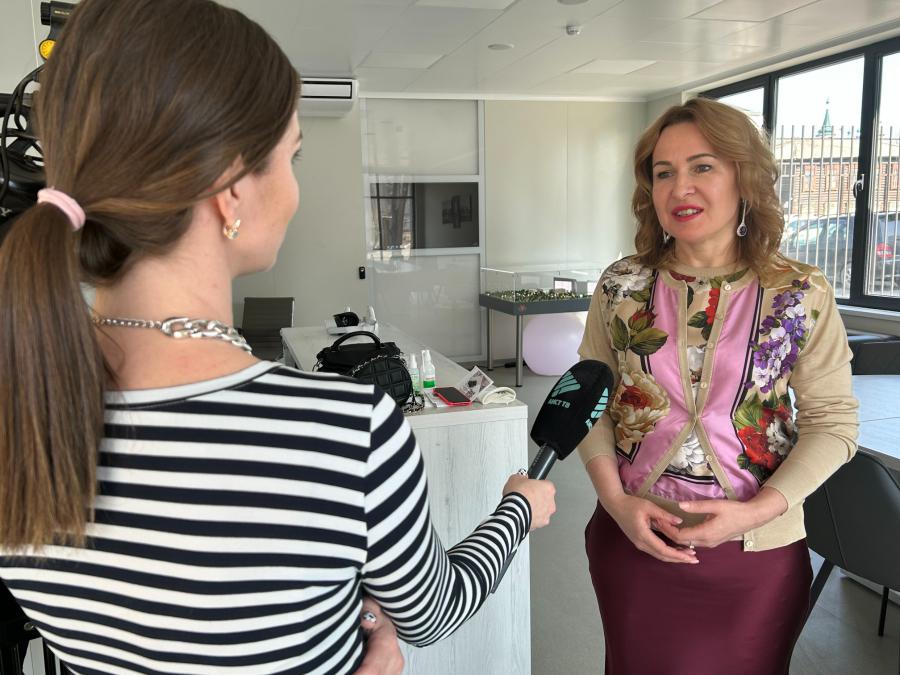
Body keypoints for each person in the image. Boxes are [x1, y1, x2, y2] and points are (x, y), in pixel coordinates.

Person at [0, 1, 556, 673]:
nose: (294, 189)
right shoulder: (346, 432)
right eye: (291, 156)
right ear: (231, 189)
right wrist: (517, 510)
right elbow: (434, 610)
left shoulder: (19, 416)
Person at [577, 97, 858, 674]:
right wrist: (615, 502)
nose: (680, 187)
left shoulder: (798, 292)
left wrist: (755, 514)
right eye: (664, 172)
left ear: (744, 177)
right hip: (635, 538)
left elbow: (833, 423)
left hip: (755, 555)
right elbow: (588, 400)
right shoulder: (622, 285)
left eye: (702, 166)